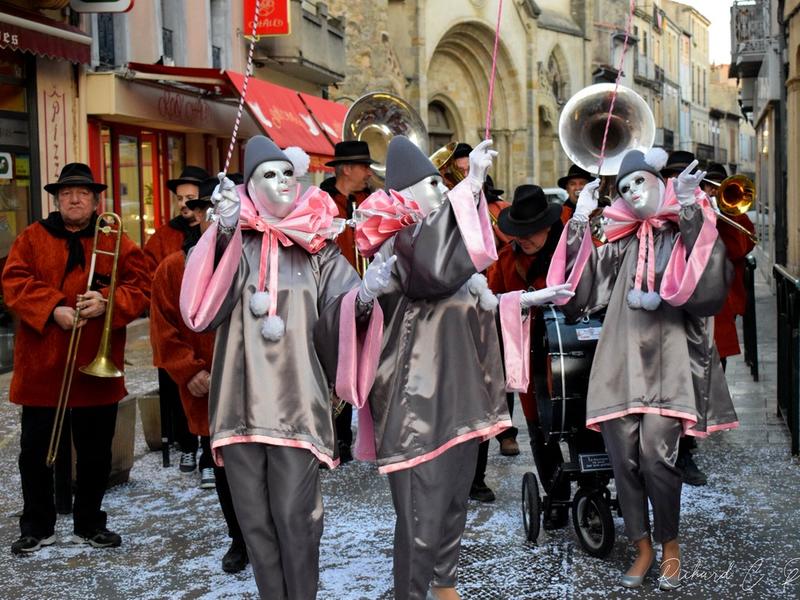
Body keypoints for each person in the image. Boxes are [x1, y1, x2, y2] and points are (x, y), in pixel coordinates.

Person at [353, 136, 572, 600]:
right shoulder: (401, 244)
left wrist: (532, 298)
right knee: (418, 517)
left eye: (441, 182)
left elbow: (483, 302)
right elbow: (429, 271)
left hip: (461, 399)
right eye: (431, 184)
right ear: (404, 197)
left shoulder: (449, 251)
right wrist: (470, 186)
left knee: (453, 502)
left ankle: (445, 583)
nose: (440, 189)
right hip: (415, 406)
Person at [180, 136, 387, 599]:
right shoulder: (233, 242)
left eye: (287, 174)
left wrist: (367, 295)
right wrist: (223, 234)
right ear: (249, 188)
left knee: (297, 520)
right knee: (254, 525)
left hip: (296, 404)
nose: (280, 183)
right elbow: (200, 309)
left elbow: (343, 309)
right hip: (237, 403)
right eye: (267, 175)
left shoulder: (319, 249)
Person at [547, 148, 737, 590]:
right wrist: (580, 222)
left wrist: (690, 211)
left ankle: (669, 543)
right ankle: (641, 545)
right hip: (619, 364)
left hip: (668, 364)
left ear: (659, 182)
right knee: (623, 461)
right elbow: (577, 293)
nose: (633, 192)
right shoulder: (619, 242)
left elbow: (707, 283)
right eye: (625, 186)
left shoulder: (680, 231)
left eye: (641, 182)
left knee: (656, 457)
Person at [2, 163, 150, 554]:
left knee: (96, 455)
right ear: (56, 199)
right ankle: (37, 525)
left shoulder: (116, 237)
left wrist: (107, 303)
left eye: (82, 193)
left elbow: (142, 287)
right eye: (66, 193)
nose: (74, 199)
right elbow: (13, 282)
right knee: (34, 454)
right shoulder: (32, 237)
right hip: (41, 368)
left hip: (95, 369)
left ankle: (89, 523)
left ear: (96, 200)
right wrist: (53, 308)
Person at [149, 193, 248, 573]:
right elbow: (163, 328)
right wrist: (188, 371)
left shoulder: (257, 259)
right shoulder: (174, 267)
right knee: (224, 465)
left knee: (267, 466)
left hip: (259, 385)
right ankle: (239, 539)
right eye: (213, 214)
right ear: (199, 221)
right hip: (207, 384)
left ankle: (271, 537)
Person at [486, 184, 570, 529]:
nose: (526, 239)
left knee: (581, 422)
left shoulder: (572, 249)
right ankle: (555, 493)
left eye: (533, 231)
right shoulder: (508, 257)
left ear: (549, 226)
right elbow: (491, 298)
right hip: (529, 353)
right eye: (521, 232)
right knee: (538, 426)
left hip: (570, 351)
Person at [145, 165, 210, 478]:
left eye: (191, 197)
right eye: (181, 198)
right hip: (182, 340)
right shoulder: (164, 238)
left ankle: (208, 456)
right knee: (178, 397)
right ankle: (187, 446)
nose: (185, 203)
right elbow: (149, 278)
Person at [319, 140, 375, 464]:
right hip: (333, 295)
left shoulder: (371, 201)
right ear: (346, 169)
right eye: (364, 166)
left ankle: (365, 434)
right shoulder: (323, 203)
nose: (369, 172)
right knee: (334, 362)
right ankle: (336, 436)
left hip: (368, 294)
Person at [701, 163, 756, 371]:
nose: (714, 191)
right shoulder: (697, 207)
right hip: (702, 290)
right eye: (710, 186)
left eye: (718, 186)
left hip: (726, 292)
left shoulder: (734, 215)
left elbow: (740, 249)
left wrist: (726, 218)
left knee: (719, 349)